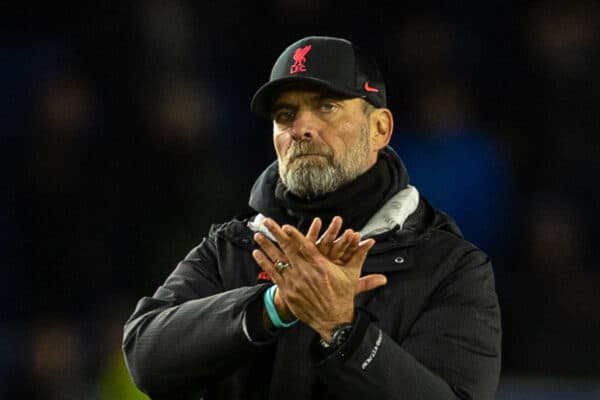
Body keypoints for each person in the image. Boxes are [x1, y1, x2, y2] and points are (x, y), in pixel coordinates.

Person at [122, 36, 501, 400]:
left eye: (326, 107)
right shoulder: (234, 246)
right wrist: (272, 306)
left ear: (380, 128)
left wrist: (344, 332)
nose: (301, 128)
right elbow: (145, 355)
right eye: (285, 114)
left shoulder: (448, 267)